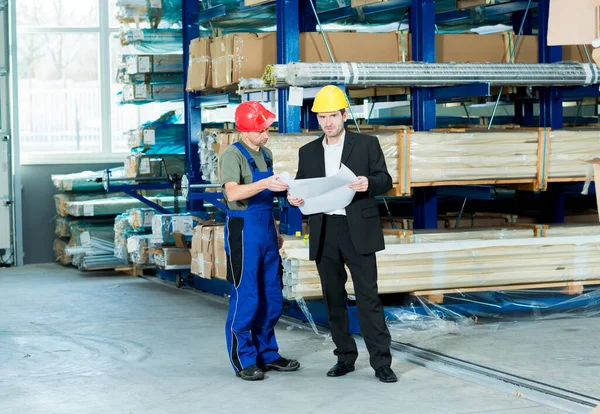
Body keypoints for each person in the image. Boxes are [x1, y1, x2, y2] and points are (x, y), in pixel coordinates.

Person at [287, 85, 397, 383]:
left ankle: (381, 363)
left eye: (333, 116)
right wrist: (294, 199)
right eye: (322, 117)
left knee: (367, 296)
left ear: (345, 115)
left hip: (357, 228)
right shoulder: (308, 152)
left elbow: (385, 180)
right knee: (333, 298)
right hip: (325, 230)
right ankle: (345, 357)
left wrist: (367, 183)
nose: (327, 122)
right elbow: (301, 187)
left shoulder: (366, 144)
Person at [219, 101, 300, 381]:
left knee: (272, 296)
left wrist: (276, 230)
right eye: (261, 130)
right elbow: (232, 193)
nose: (266, 134)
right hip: (244, 230)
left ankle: (268, 354)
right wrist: (265, 183)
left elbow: (266, 197)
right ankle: (244, 359)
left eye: (267, 129)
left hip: (266, 228)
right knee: (247, 295)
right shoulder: (232, 155)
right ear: (245, 130)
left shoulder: (265, 153)